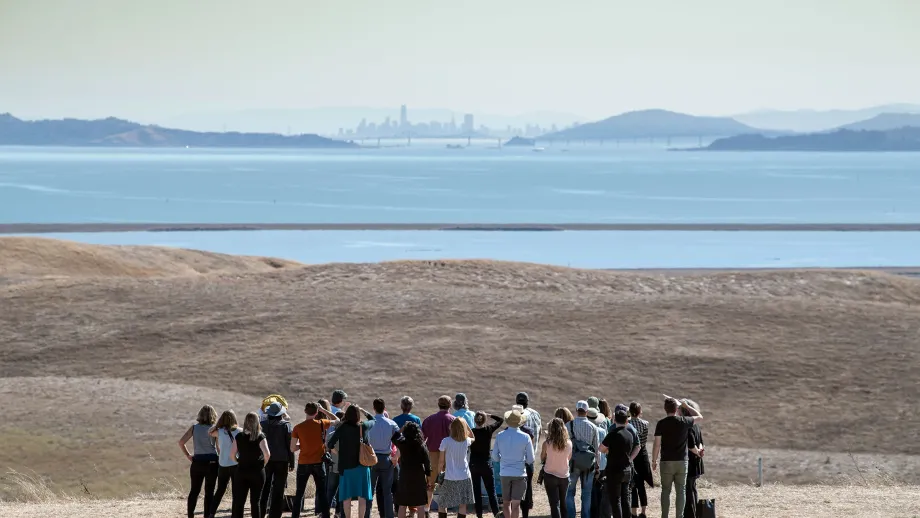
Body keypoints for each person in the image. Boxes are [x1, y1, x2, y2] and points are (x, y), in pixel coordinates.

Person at [651, 398, 703, 518]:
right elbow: (700, 417)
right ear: (677, 409)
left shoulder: (661, 423)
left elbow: (657, 444)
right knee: (681, 491)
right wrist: (687, 406)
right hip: (682, 462)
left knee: (665, 491)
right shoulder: (684, 421)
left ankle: (664, 516)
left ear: (665, 409)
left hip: (666, 462)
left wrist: (654, 460)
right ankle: (679, 516)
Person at [291, 401, 340, 518]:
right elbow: (337, 420)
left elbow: (292, 448)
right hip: (319, 462)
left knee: (299, 493)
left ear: (305, 411)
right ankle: (325, 515)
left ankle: (295, 516)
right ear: (316, 412)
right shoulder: (322, 423)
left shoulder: (298, 428)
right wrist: (323, 410)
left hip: (303, 463)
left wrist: (302, 445)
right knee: (322, 492)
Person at [328, 404, 377, 518]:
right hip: (362, 466)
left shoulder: (342, 427)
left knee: (346, 497)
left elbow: (330, 444)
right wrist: (362, 409)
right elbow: (373, 419)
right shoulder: (363, 426)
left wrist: (336, 452)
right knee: (362, 497)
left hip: (346, 468)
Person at [491, 408, 534, 518]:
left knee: (506, 504)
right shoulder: (525, 437)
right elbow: (531, 459)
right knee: (516, 505)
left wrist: (504, 459)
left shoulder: (500, 435)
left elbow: (495, 457)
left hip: (505, 473)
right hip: (519, 473)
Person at [179, 405, 219, 518]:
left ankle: (190, 515)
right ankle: (207, 516)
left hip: (197, 462)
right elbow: (219, 447)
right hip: (212, 462)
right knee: (209, 492)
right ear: (213, 415)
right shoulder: (215, 428)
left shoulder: (194, 428)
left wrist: (188, 455)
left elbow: (181, 442)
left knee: (194, 491)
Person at [230, 412, 271, 518]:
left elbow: (232, 455)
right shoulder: (260, 436)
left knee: (239, 501)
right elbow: (267, 455)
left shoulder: (239, 436)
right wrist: (263, 464)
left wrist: (239, 461)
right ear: (257, 422)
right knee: (255, 502)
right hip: (257, 471)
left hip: (242, 471)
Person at [600, 411, 640, 518]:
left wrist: (610, 451)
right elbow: (636, 447)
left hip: (614, 470)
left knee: (615, 500)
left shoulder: (613, 434)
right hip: (627, 469)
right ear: (626, 421)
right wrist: (630, 459)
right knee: (625, 498)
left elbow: (601, 448)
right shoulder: (630, 434)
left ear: (614, 420)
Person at [366, 399, 400, 518]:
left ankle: (366, 515)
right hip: (386, 459)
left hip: (371, 459)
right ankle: (389, 516)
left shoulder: (369, 424)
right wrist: (396, 456)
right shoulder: (391, 424)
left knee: (369, 490)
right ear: (384, 408)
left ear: (374, 408)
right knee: (387, 492)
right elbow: (401, 442)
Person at [436, 418, 477, 518]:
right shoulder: (466, 441)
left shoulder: (445, 441)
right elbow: (473, 437)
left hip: (449, 476)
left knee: (442, 503)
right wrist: (465, 424)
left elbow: (441, 462)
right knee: (462, 505)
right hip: (465, 476)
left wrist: (439, 475)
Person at [260, 402, 295, 518]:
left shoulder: (262, 424)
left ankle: (261, 512)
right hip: (282, 460)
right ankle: (274, 514)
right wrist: (292, 462)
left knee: (265, 487)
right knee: (278, 488)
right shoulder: (286, 425)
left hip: (265, 460)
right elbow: (289, 445)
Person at [566, 401, 600, 518]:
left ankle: (571, 515)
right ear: (586, 412)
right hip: (589, 464)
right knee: (586, 494)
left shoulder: (568, 425)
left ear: (576, 410)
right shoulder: (593, 427)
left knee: (569, 492)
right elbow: (596, 449)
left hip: (572, 464)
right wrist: (597, 466)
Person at [422, 396, 457, 505]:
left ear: (438, 405)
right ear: (450, 405)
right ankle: (445, 508)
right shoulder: (453, 420)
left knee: (430, 484)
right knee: (447, 482)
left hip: (432, 454)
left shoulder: (429, 419)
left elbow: (422, 438)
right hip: (448, 455)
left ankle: (427, 508)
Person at [392, 422, 431, 518]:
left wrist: (402, 428)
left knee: (402, 504)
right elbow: (427, 463)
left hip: (404, 475)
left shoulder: (402, 443)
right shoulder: (421, 445)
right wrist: (428, 478)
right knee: (420, 504)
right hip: (418, 475)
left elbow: (393, 437)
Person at [470, 412, 503, 518]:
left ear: (474, 420)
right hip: (486, 463)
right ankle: (496, 514)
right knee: (491, 491)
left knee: (476, 491)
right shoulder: (488, 430)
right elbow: (501, 420)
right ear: (484, 421)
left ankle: (479, 515)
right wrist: (490, 415)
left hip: (474, 464)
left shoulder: (471, 432)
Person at [210, 410, 241, 518]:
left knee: (220, 490)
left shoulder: (219, 432)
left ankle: (211, 513)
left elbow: (210, 431)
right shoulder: (239, 431)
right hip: (235, 464)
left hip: (223, 464)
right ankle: (234, 514)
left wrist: (219, 424)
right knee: (236, 492)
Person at [515, 393, 542, 518]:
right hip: (531, 455)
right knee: (528, 483)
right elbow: (540, 431)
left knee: (518, 484)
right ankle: (528, 505)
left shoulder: (516, 414)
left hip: (518, 457)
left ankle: (522, 506)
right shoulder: (535, 414)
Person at [540, 418, 572, 518]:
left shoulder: (546, 443)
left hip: (550, 475)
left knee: (554, 504)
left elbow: (542, 458)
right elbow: (569, 458)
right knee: (563, 503)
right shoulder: (569, 443)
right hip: (564, 475)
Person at [627, 403, 652, 518]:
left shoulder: (627, 424)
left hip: (631, 455)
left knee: (633, 485)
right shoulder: (645, 424)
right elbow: (644, 441)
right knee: (641, 485)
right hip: (642, 455)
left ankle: (633, 512)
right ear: (639, 411)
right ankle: (643, 512)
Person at [682, 401, 704, 518]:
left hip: (689, 462)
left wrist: (697, 451)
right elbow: (700, 442)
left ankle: (689, 515)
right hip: (697, 461)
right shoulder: (696, 425)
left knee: (688, 491)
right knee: (693, 489)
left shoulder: (688, 425)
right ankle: (695, 513)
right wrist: (700, 452)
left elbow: (691, 445)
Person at [588, 407, 611, 518]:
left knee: (592, 491)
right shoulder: (602, 431)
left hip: (590, 464)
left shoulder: (588, 430)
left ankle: (593, 513)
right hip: (603, 464)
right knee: (601, 491)